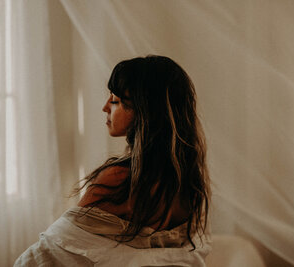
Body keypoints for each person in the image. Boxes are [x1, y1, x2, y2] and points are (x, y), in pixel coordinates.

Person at [14, 55, 211, 266]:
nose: (105, 107)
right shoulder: (189, 184)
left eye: (116, 100)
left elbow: (46, 256)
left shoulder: (119, 178)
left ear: (145, 112)